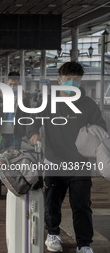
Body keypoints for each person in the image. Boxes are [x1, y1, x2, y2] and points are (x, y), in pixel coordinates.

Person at [27, 61, 107, 253]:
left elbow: (101, 127)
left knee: (82, 206)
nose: (72, 82)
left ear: (81, 82)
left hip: (80, 164)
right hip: (54, 161)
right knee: (52, 201)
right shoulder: (48, 102)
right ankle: (53, 234)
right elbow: (33, 120)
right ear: (59, 80)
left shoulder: (88, 104)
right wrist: (33, 133)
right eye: (68, 79)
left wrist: (93, 135)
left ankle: (84, 244)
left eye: (76, 79)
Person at [0, 71, 30, 150]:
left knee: (15, 157)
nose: (13, 86)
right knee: (1, 156)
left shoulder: (24, 97)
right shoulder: (0, 96)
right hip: (2, 132)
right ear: (6, 83)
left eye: (15, 85)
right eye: (10, 84)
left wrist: (28, 130)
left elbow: (28, 114)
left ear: (19, 84)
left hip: (17, 133)